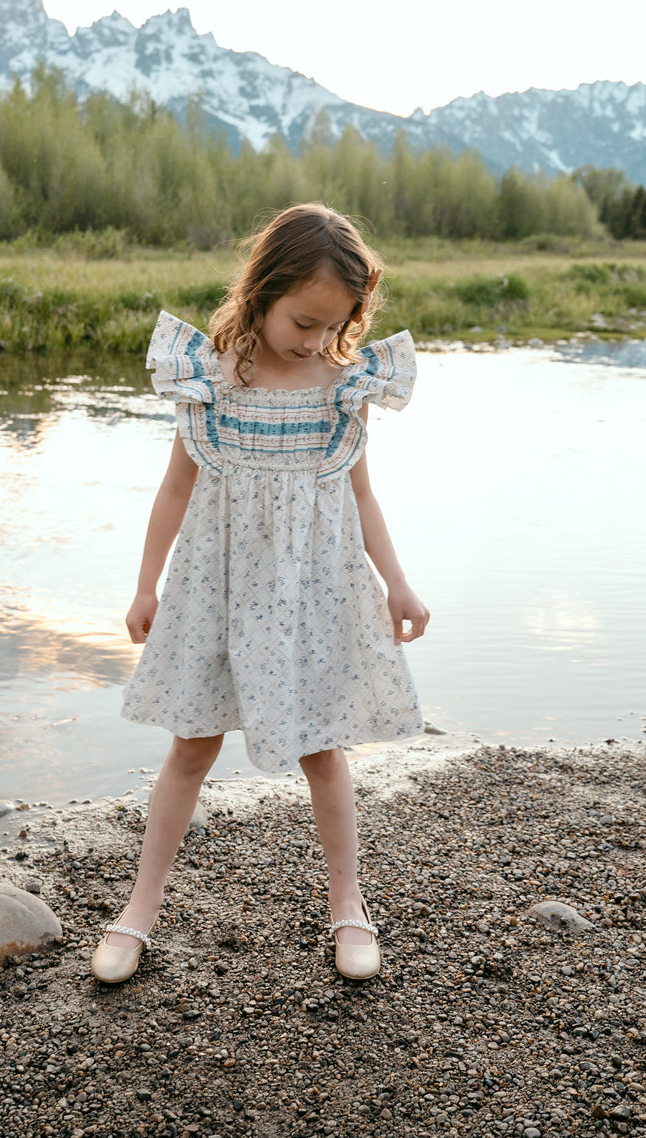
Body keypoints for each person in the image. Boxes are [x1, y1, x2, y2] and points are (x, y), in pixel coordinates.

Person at [92, 203, 429, 985]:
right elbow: (174, 492)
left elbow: (363, 499)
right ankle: (138, 908)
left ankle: (349, 905)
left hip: (313, 594)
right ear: (263, 291)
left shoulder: (342, 387)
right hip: (217, 590)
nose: (315, 339)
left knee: (323, 746)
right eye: (303, 320)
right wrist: (145, 584)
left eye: (332, 324)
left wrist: (399, 582)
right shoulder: (211, 378)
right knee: (192, 744)